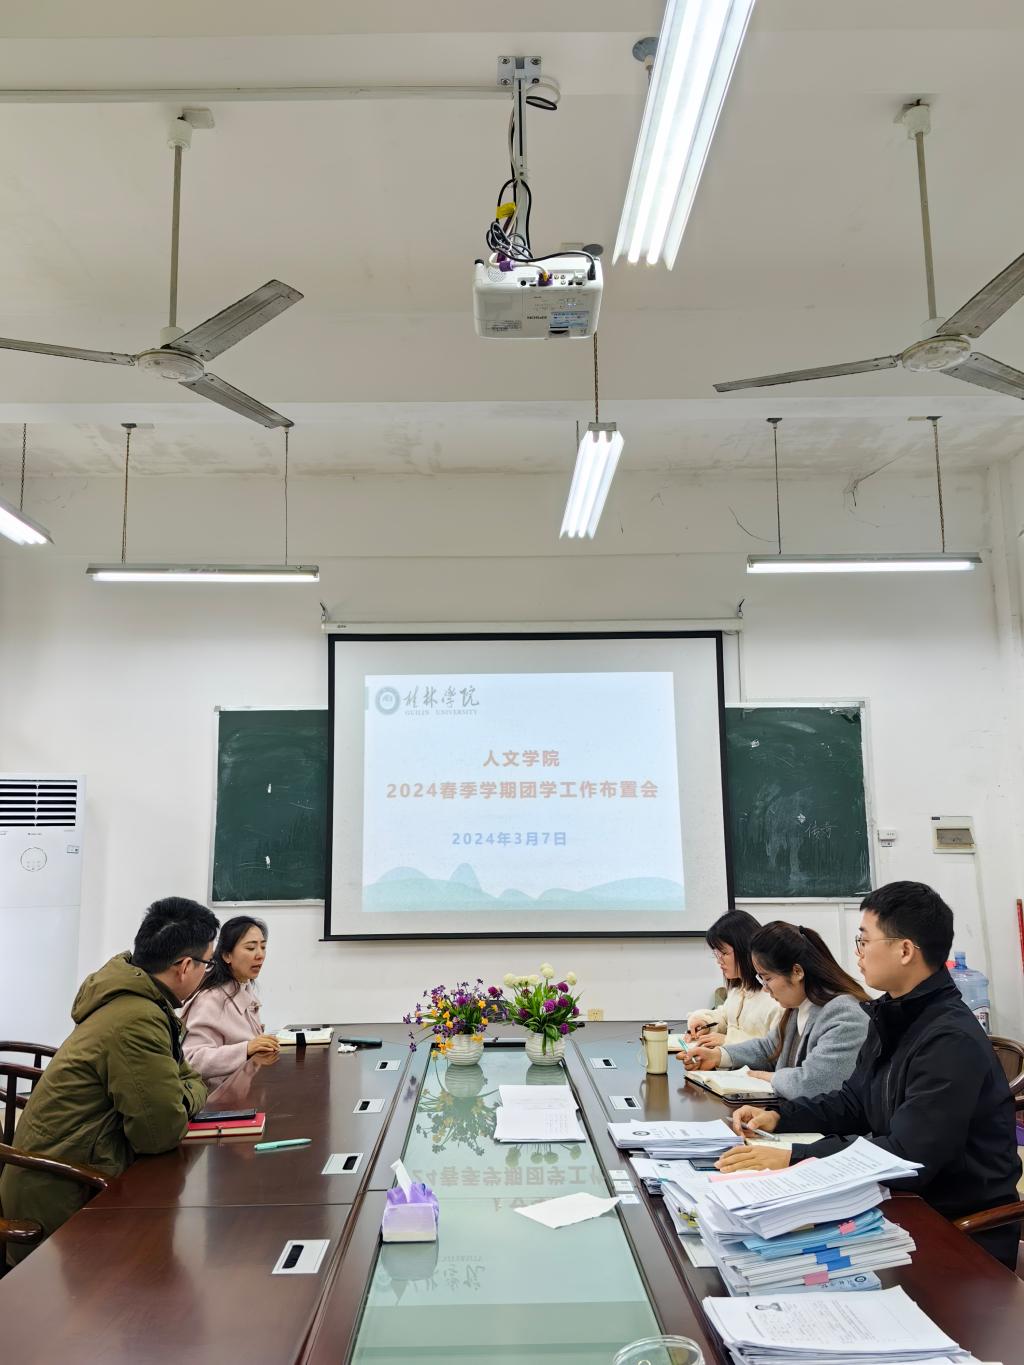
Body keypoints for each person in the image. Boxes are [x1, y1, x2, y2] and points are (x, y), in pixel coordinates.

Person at [719, 882, 1022, 1269]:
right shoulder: (892, 1015)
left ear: (905, 950)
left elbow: (907, 1156)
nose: (857, 953)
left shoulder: (949, 1040)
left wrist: (795, 1157)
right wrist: (780, 1118)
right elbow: (854, 1101)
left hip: (953, 1232)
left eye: (864, 941)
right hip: (897, 1207)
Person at [0, 896, 217, 1265]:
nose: (206, 973)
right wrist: (194, 1093)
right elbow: (160, 1131)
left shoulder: (138, 1003)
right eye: (207, 964)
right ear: (184, 967)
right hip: (62, 1198)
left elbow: (184, 1076)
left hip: (77, 1174)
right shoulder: (137, 1017)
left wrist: (185, 1090)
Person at [682, 921, 870, 1099]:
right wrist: (718, 1055)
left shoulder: (844, 1015)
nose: (765, 988)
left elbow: (813, 1083)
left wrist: (771, 1078)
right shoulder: (799, 1006)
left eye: (767, 978)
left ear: (797, 972)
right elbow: (769, 1047)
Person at [179, 916, 280, 1084]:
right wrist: (245, 1049)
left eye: (263, 947)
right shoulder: (210, 999)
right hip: (219, 1096)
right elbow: (192, 1059)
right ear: (227, 955)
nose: (260, 955)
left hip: (243, 1088)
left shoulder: (243, 987)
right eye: (251, 948)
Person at [686, 910, 784, 1046]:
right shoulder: (739, 989)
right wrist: (705, 1022)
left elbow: (773, 1048)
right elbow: (726, 1016)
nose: (719, 960)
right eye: (716, 953)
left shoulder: (775, 999)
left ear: (745, 950)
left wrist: (728, 1041)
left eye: (724, 953)